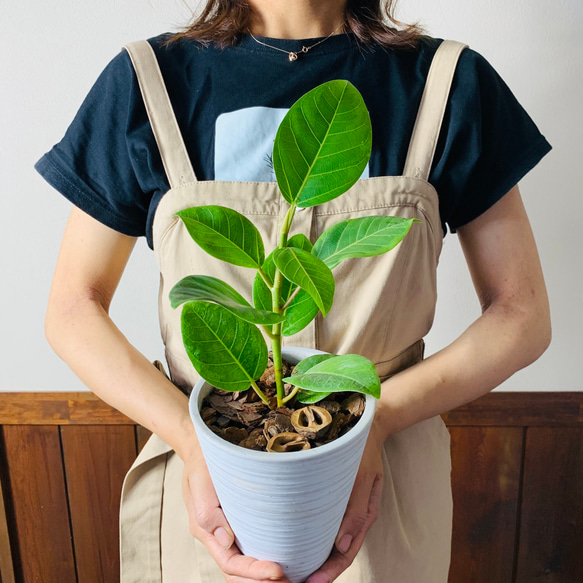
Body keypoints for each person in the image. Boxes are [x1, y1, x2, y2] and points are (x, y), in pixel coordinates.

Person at [37, 1, 551, 582]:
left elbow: (522, 313)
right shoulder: (149, 81)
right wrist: (192, 441)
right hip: (209, 493)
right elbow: (72, 309)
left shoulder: (446, 83)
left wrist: (377, 423)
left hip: (382, 498)